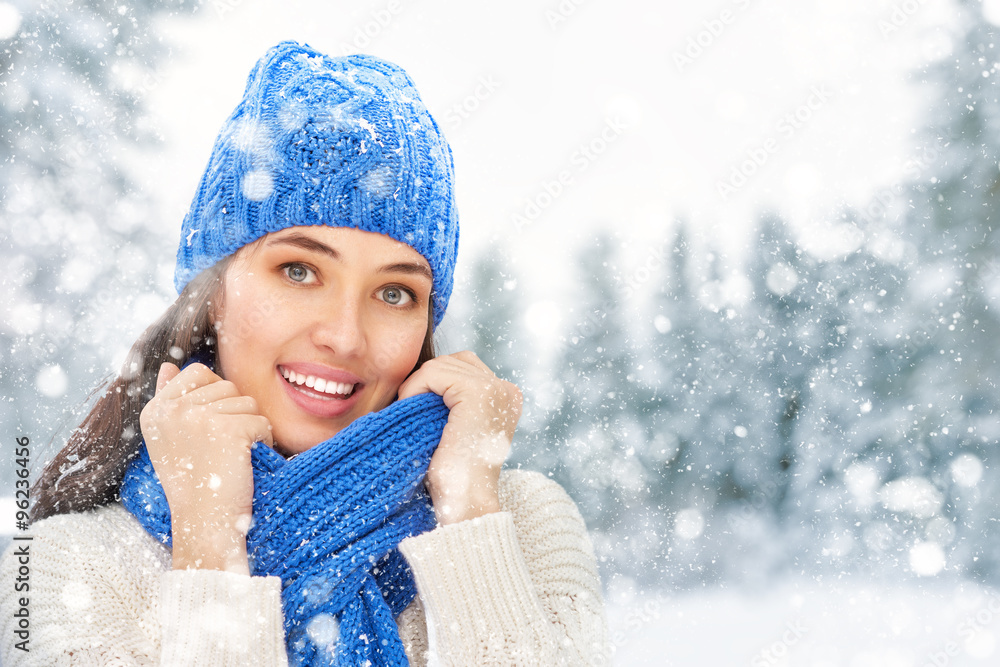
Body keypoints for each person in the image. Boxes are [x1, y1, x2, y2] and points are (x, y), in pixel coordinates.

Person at [0, 41, 608, 666]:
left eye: (394, 292)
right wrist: (210, 541)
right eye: (298, 271)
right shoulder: (64, 571)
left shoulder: (522, 526)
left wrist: (470, 516)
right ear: (214, 296)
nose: (345, 336)